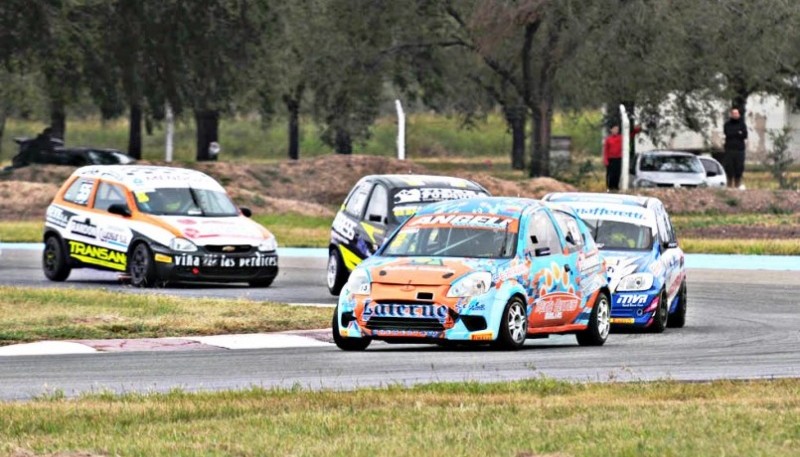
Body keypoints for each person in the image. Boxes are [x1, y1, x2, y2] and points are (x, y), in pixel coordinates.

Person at [602, 123, 642, 191]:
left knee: (617, 174)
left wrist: (636, 129)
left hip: (618, 159)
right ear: (611, 130)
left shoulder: (621, 138)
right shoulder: (608, 139)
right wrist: (605, 160)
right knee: (610, 175)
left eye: (617, 129)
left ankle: (615, 188)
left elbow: (630, 136)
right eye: (614, 129)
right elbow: (606, 150)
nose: (616, 130)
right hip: (611, 159)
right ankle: (609, 188)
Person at [723, 108, 748, 189]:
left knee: (739, 167)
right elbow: (728, 133)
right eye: (734, 113)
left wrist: (737, 133)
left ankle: (737, 185)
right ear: (731, 114)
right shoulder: (727, 124)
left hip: (740, 149)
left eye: (737, 113)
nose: (735, 115)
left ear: (739, 114)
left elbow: (744, 135)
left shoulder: (742, 124)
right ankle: (729, 185)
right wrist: (738, 133)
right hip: (729, 149)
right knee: (729, 167)